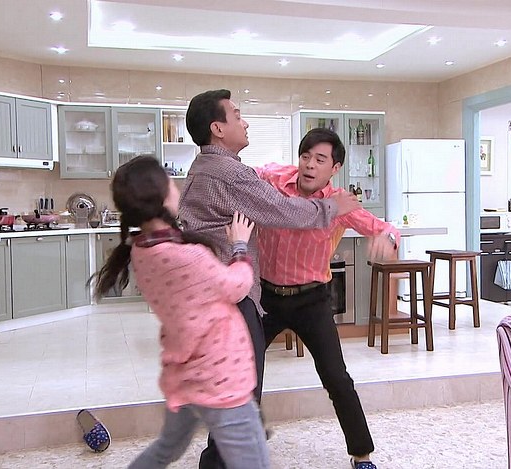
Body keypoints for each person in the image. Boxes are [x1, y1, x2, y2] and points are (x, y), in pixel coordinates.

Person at [179, 89, 361, 469]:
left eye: (320, 159)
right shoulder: (230, 173)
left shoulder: (204, 167)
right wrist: (332, 206)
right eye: (236, 115)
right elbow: (282, 210)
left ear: (334, 167)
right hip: (232, 297)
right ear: (218, 128)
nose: (244, 122)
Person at [93, 156, 269, 469]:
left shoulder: (141, 250)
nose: (178, 189)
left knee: (167, 449)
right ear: (161, 197)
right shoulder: (187, 257)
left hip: (184, 376)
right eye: (172, 184)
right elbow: (237, 286)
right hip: (219, 377)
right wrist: (240, 246)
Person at [256, 128, 400, 469]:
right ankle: (246, 434)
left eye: (320, 159)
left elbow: (384, 227)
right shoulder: (274, 179)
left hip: (312, 301)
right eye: (306, 156)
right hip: (265, 298)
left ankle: (362, 454)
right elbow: (242, 177)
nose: (309, 165)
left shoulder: (340, 204)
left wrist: (388, 240)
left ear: (334, 168)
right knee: (242, 371)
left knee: (337, 377)